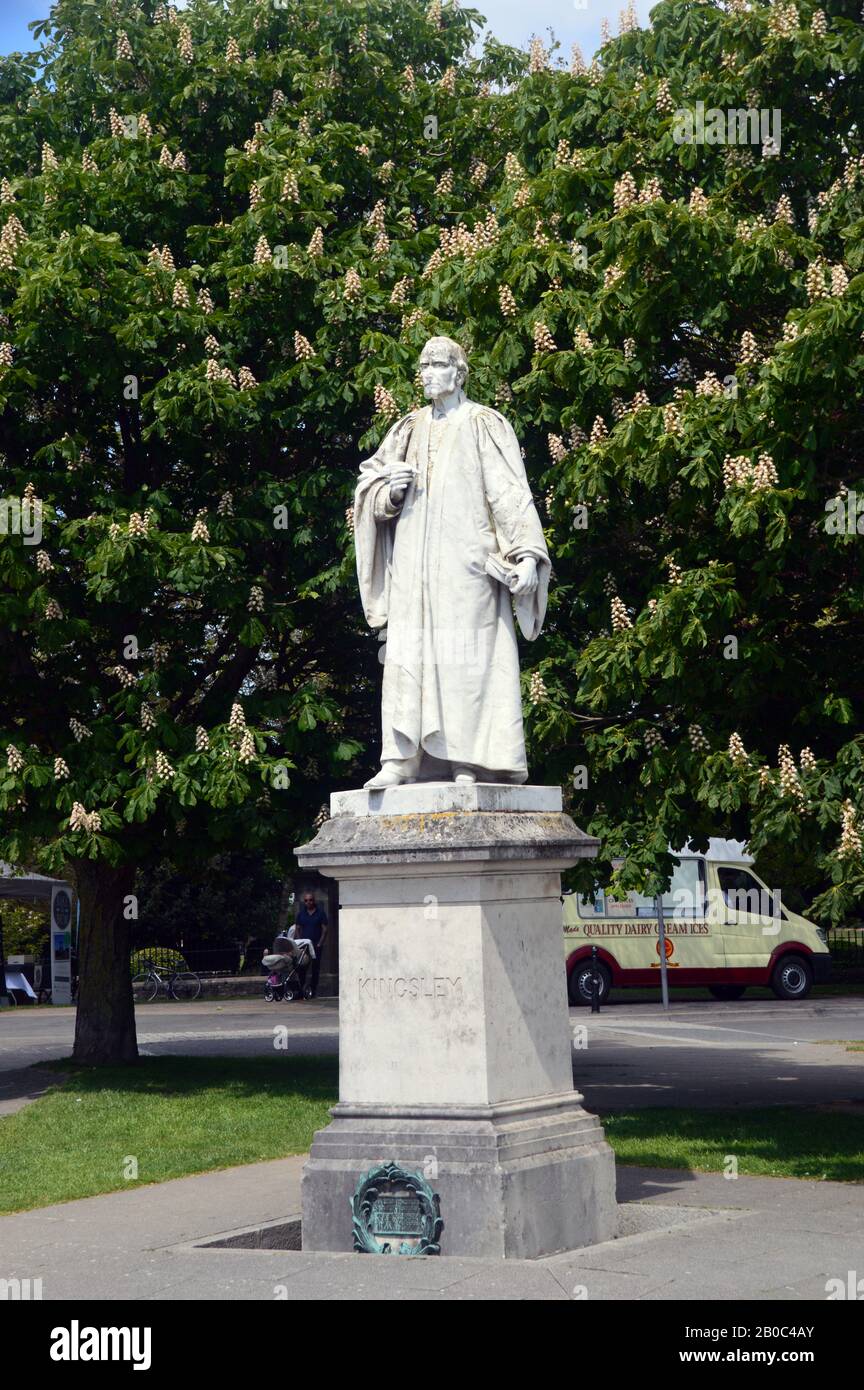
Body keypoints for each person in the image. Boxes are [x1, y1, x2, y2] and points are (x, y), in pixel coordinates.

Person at [353, 335, 550, 788]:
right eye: (421, 366)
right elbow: (370, 489)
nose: (426, 373)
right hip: (412, 570)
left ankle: (468, 760)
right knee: (407, 658)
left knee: (466, 660)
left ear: (459, 372)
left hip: (468, 569)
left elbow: (511, 495)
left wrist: (526, 556)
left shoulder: (484, 423)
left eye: (436, 364)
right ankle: (402, 759)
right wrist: (390, 492)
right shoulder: (405, 429)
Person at [293, 891, 328, 998]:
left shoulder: (320, 913)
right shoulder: (301, 914)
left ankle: (313, 990)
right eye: (306, 900)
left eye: (310, 900)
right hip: (304, 945)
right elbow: (297, 928)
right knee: (302, 967)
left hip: (316, 944)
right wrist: (299, 941)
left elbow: (325, 929)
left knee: (315, 968)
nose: (308, 902)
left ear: (314, 901)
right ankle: (302, 989)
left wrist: (320, 942)